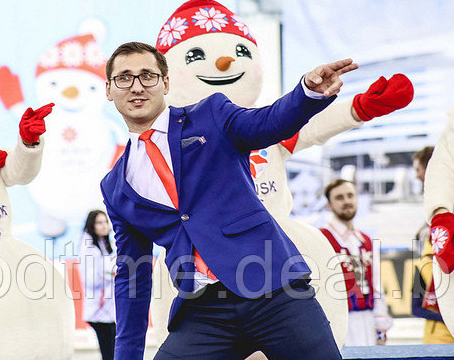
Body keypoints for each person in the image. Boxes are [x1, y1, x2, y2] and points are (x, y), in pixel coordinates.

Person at [100, 41, 357, 360]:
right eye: (124, 78)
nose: (136, 86)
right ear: (109, 89)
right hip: (203, 312)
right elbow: (132, 275)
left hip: (274, 290)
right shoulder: (115, 186)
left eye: (147, 76)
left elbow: (266, 123)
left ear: (165, 83)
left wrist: (307, 93)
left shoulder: (210, 115)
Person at [320, 178, 392, 346]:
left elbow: (375, 284)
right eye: (339, 197)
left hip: (367, 320)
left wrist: (380, 326)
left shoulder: (364, 240)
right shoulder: (321, 238)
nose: (346, 201)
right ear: (328, 205)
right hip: (338, 322)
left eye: (350, 195)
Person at [411, 147, 454, 344]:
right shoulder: (452, 196)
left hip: (450, 274)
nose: (416, 175)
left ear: (429, 169)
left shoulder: (449, 201)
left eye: (418, 169)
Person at [79, 209, 117, 360]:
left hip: (109, 310)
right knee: (109, 353)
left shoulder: (106, 244)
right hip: (98, 310)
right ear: (91, 226)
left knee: (112, 352)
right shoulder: (89, 249)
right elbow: (90, 280)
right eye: (99, 223)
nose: (104, 226)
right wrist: (110, 273)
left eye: (105, 222)